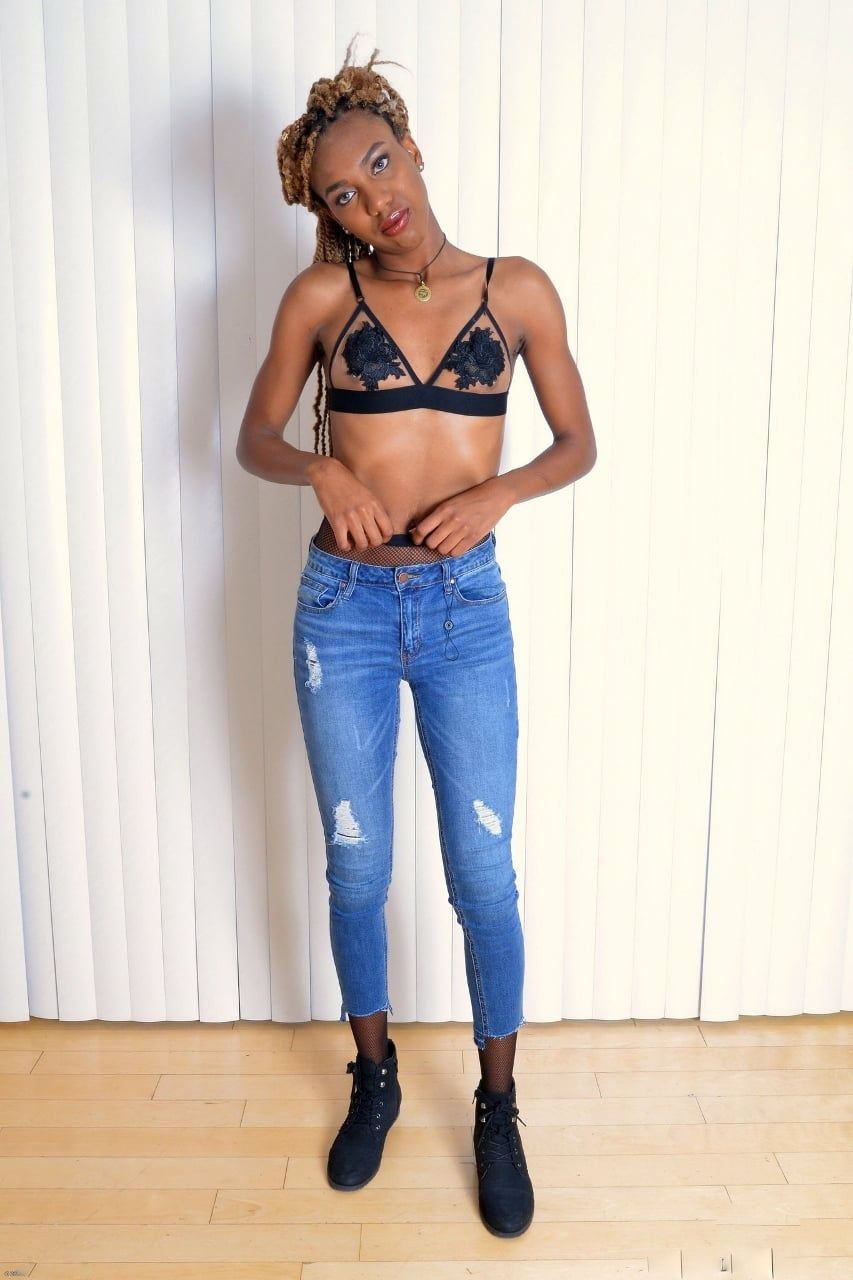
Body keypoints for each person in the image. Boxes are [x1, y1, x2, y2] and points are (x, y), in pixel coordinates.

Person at [236, 37, 596, 1238]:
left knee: (482, 871)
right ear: (327, 213)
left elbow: (576, 442)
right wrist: (323, 468)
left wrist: (501, 494)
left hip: (463, 612)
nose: (371, 201)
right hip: (342, 611)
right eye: (341, 193)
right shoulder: (321, 300)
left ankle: (496, 1105)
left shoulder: (518, 288)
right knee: (356, 865)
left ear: (414, 148)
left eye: (379, 166)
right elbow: (252, 437)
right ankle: (375, 1074)